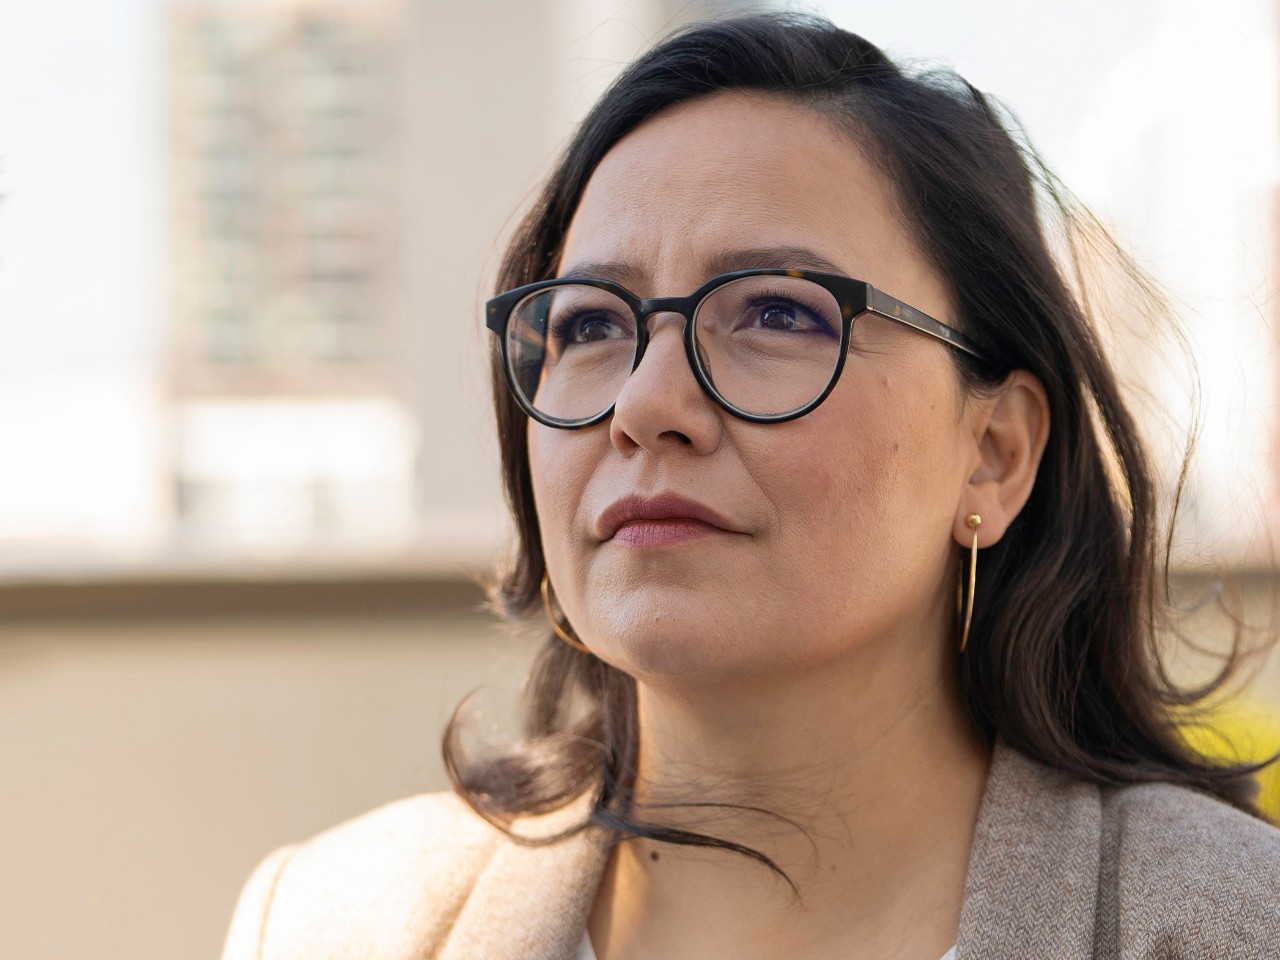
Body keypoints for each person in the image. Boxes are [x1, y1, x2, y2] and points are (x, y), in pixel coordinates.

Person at [219, 12, 1280, 960]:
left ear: (994, 453)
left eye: (776, 313)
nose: (644, 403)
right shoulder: (332, 922)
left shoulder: (1225, 923)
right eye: (589, 324)